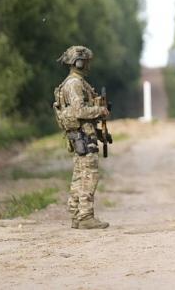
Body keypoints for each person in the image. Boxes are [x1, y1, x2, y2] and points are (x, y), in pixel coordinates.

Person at [52, 45, 110, 230]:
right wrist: (100, 110)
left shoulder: (71, 83)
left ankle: (77, 214)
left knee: (79, 176)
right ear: (78, 62)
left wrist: (100, 133)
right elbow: (79, 111)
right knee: (89, 175)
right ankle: (85, 216)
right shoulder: (75, 84)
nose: (88, 65)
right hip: (83, 136)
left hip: (80, 135)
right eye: (86, 61)